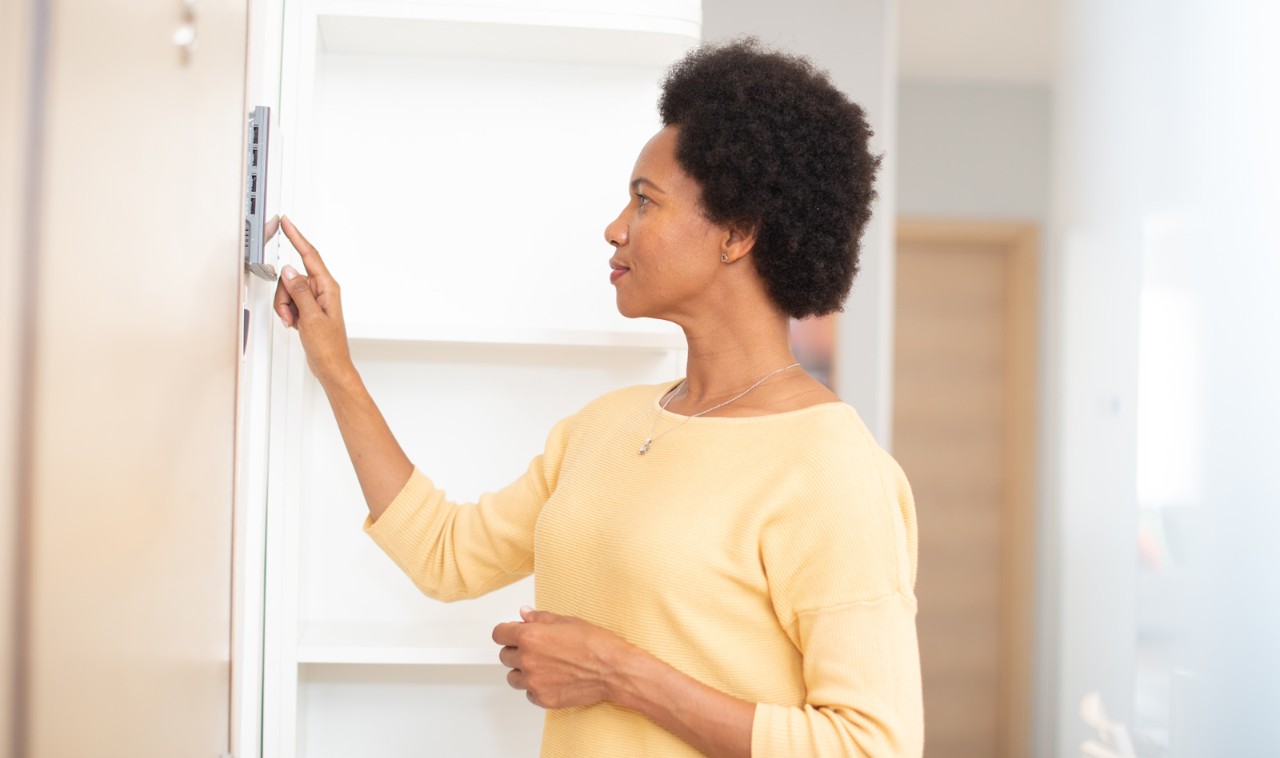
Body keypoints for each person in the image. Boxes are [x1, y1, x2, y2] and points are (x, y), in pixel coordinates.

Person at [274, 37, 922, 758]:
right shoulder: (604, 427)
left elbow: (872, 745)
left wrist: (617, 672)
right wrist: (333, 363)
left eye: (645, 202)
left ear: (736, 235)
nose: (616, 228)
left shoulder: (831, 469)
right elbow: (446, 555)